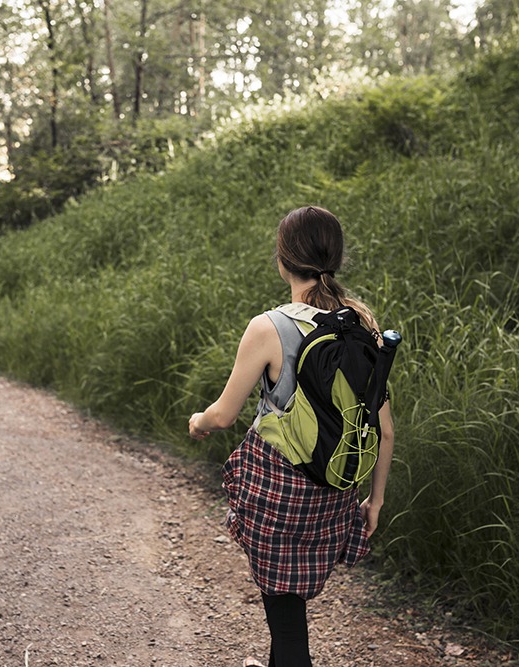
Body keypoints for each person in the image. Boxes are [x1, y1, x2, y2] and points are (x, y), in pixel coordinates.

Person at [188, 205, 395, 667]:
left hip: (278, 488)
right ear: (335, 259)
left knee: (284, 614)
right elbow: (383, 428)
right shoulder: (363, 326)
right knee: (286, 604)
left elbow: (223, 416)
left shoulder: (270, 327)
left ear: (282, 260)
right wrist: (375, 500)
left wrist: (197, 421)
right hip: (335, 487)